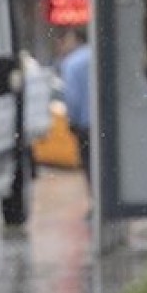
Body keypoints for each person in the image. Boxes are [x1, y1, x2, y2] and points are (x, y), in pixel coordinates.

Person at [56, 26, 92, 187]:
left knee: (90, 164)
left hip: (85, 126)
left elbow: (72, 98)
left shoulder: (71, 64)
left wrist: (73, 121)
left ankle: (95, 196)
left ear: (75, 39)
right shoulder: (98, 56)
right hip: (105, 123)